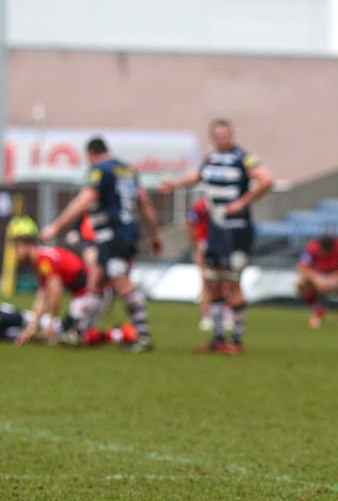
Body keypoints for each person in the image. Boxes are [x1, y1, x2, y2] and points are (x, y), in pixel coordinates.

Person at [160, 118, 273, 354]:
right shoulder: (210, 159)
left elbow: (266, 179)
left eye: (227, 134)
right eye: (219, 135)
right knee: (212, 281)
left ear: (232, 135)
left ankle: (237, 340)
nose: (223, 138)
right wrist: (175, 184)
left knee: (233, 282)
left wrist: (243, 202)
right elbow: (197, 176)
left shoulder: (243, 157)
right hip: (216, 229)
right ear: (213, 137)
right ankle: (219, 338)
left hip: (237, 228)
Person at [40, 137, 161, 352]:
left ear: (91, 154)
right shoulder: (128, 170)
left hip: (112, 235)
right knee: (96, 280)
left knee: (121, 283)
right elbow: (144, 201)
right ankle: (78, 331)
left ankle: (142, 335)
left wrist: (56, 227)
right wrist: (154, 234)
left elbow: (83, 201)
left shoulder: (99, 171)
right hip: (126, 233)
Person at [11, 217, 136, 347]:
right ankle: (115, 333)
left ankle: (121, 333)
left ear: (29, 245)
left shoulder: (44, 260)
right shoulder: (41, 260)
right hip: (85, 295)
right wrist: (31, 328)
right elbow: (42, 295)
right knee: (68, 334)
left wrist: (50, 325)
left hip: (91, 294)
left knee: (70, 337)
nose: (15, 253)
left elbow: (55, 292)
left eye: (17, 247)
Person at [296, 233, 338, 329]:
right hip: (319, 277)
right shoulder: (312, 248)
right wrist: (316, 278)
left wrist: (336, 277)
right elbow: (302, 266)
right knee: (301, 283)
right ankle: (318, 309)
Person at [186, 196, 214, 331]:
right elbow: (190, 222)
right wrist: (195, 243)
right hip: (204, 245)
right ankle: (207, 315)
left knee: (223, 281)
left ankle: (223, 314)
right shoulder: (201, 204)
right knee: (206, 281)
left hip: (219, 245)